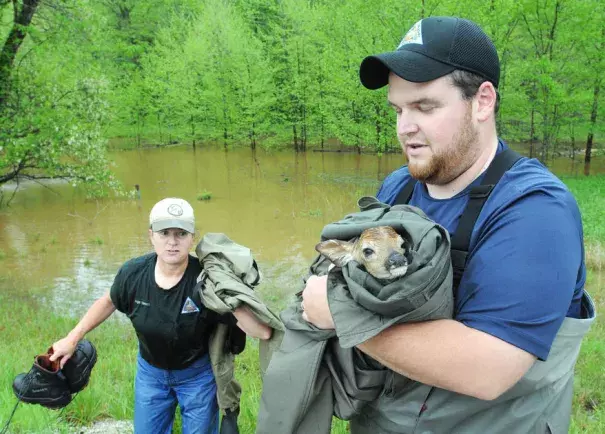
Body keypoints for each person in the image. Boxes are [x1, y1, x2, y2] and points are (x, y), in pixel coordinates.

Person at [300, 16, 595, 433]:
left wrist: (340, 314)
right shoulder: (398, 187)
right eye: (399, 109)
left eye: (425, 106)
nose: (405, 128)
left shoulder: (535, 209)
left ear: (482, 101)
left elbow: (490, 368)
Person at [51, 197, 272, 434]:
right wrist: (72, 339)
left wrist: (231, 296)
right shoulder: (133, 273)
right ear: (151, 235)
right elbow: (109, 301)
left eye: (181, 234)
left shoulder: (206, 280)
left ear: (192, 238)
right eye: (164, 233)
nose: (172, 242)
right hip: (151, 376)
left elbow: (262, 331)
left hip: (197, 377)